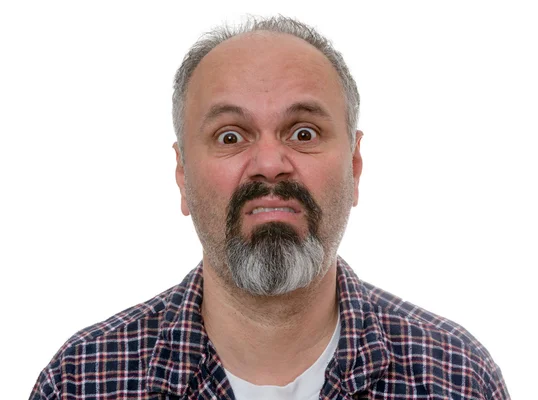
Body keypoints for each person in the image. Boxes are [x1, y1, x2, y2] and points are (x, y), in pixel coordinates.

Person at [29, 16, 510, 400]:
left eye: (303, 133)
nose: (269, 165)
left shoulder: (457, 379)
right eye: (230, 136)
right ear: (182, 174)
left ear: (355, 165)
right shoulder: (79, 382)